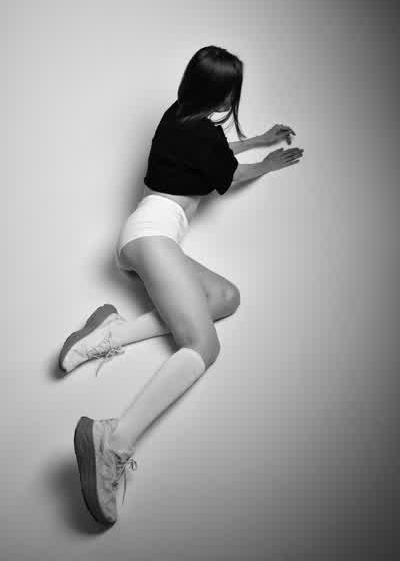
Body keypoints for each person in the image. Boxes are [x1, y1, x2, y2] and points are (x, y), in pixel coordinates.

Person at [58, 45, 303, 528]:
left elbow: (213, 154)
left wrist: (256, 139)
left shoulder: (179, 115)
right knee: (204, 346)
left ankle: (113, 332)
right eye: (230, 93)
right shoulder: (205, 133)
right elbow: (228, 174)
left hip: (149, 233)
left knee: (225, 298)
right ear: (220, 93)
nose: (231, 101)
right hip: (153, 236)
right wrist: (268, 162)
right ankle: (114, 441)